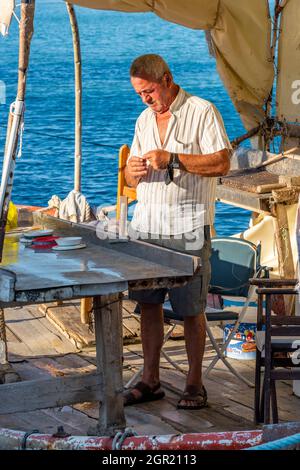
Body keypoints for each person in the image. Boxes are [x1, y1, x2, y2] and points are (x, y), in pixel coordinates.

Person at [124, 54, 231, 410]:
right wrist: (132, 172)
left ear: (167, 78)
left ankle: (194, 384)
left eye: (149, 91)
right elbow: (127, 177)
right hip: (148, 227)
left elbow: (222, 162)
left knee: (190, 309)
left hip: (187, 228)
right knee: (149, 305)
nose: (145, 99)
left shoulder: (202, 111)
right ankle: (150, 380)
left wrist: (173, 159)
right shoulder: (143, 120)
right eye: (139, 94)